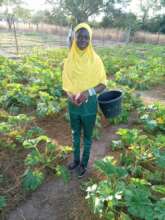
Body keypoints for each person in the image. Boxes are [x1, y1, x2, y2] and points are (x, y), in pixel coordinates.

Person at [62, 23, 107, 177]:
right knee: (75, 134)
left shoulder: (96, 60)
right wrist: (71, 97)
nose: (83, 40)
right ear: (75, 38)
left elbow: (103, 84)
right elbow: (66, 84)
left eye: (86, 37)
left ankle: (84, 163)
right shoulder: (69, 59)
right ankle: (75, 160)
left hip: (89, 106)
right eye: (79, 36)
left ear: (90, 39)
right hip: (73, 104)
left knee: (87, 136)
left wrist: (88, 92)